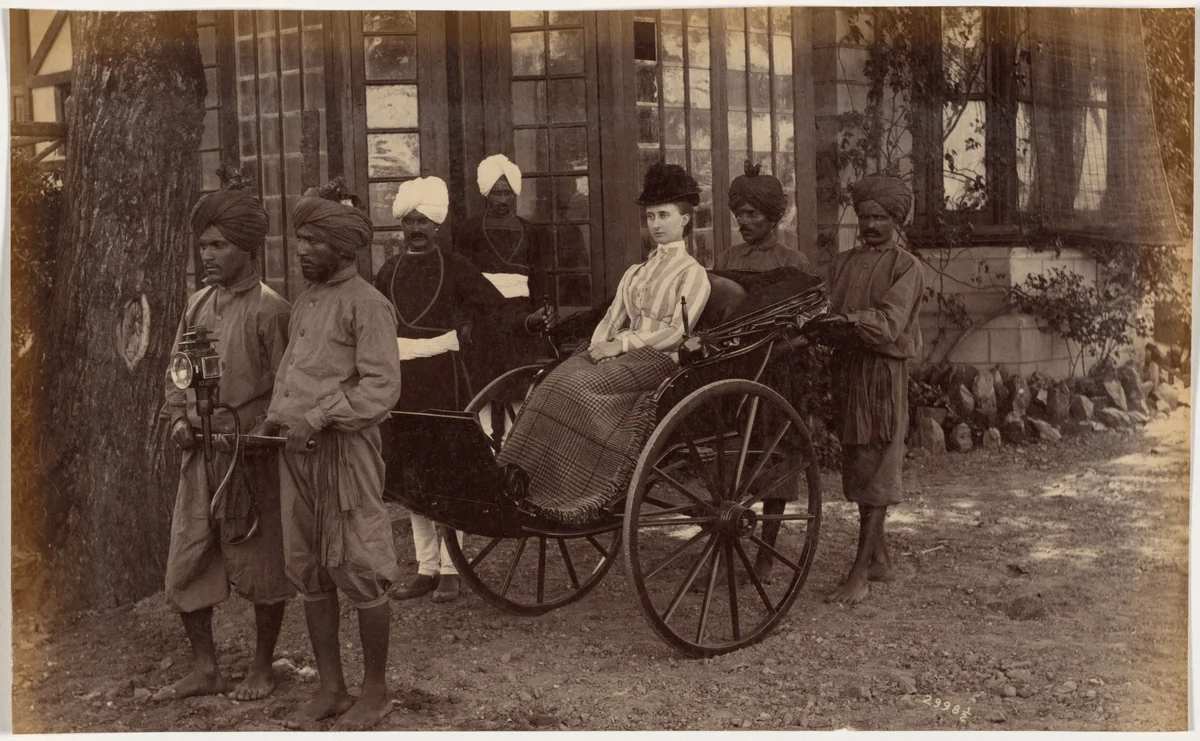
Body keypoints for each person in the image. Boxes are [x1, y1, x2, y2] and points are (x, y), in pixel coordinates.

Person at [257, 186, 403, 730]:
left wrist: (318, 417)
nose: (302, 250)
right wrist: (274, 419)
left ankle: (376, 692)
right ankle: (332, 689)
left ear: (344, 248)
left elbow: (381, 388)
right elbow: (292, 372)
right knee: (308, 569)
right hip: (295, 455)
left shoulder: (368, 304)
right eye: (300, 240)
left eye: (314, 241)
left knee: (360, 565)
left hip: (345, 454)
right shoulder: (306, 302)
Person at [496, 163, 711, 524]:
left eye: (665, 215)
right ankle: (517, 475)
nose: (656, 224)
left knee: (579, 388)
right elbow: (612, 318)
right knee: (554, 380)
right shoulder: (636, 272)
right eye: (651, 216)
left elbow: (676, 332)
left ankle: (569, 488)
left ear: (685, 220)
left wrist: (621, 346)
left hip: (658, 361)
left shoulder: (693, 274)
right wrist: (598, 348)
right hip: (618, 355)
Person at [160, 168, 294, 702]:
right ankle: (206, 668)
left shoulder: (272, 310)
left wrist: (259, 432)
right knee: (188, 556)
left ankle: (262, 667)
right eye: (203, 246)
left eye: (218, 245)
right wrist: (178, 418)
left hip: (249, 458)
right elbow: (177, 371)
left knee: (261, 561)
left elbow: (287, 388)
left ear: (247, 248)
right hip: (200, 455)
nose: (207, 256)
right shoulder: (197, 304)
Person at [378, 175, 535, 603]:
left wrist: (519, 322)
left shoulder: (455, 265)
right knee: (412, 472)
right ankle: (425, 567)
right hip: (402, 378)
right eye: (408, 221)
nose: (415, 229)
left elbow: (494, 307)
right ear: (401, 224)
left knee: (446, 470)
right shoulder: (388, 270)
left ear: (436, 224)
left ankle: (451, 567)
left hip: (443, 376)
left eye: (423, 221)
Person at [821, 175, 924, 606]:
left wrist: (846, 322)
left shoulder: (906, 267)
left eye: (880, 217)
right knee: (858, 465)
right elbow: (824, 308)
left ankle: (859, 574)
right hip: (848, 372)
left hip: (882, 374)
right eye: (864, 217)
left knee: (879, 464)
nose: (870, 225)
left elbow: (888, 324)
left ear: (897, 220)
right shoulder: (842, 263)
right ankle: (880, 559)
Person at [453, 154, 555, 380]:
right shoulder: (470, 229)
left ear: (515, 194)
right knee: (485, 383)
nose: (502, 199)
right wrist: (465, 321)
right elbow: (460, 281)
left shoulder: (530, 231)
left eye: (507, 193)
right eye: (496, 193)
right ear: (487, 194)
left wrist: (542, 313)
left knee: (519, 380)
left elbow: (539, 278)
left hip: (521, 316)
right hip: (483, 317)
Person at [717, 161, 812, 273]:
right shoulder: (726, 259)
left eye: (752, 214)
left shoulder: (794, 262)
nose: (743, 221)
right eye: (739, 214)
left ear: (772, 219)